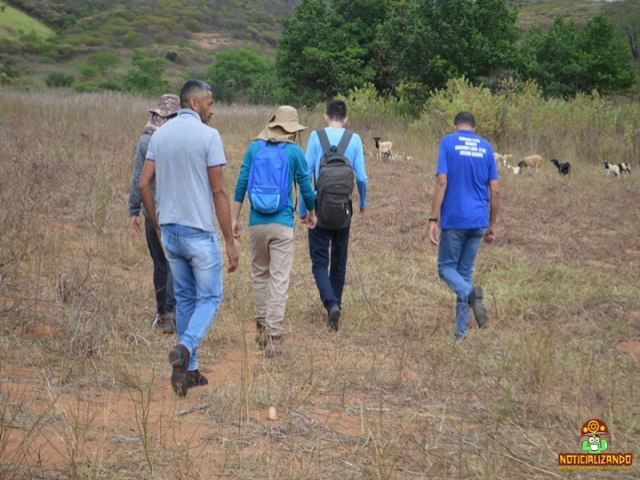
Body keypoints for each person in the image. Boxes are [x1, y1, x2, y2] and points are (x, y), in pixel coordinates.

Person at [139, 79, 239, 397]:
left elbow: (144, 184)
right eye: (209, 102)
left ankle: (189, 371)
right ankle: (185, 347)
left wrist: (156, 224)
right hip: (199, 232)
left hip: (169, 231)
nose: (213, 108)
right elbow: (219, 191)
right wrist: (230, 241)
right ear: (194, 103)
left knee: (184, 298)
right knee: (210, 297)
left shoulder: (159, 134)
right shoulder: (209, 136)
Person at [231, 106, 317, 355]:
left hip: (256, 222)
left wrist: (235, 217)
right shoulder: (294, 152)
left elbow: (241, 183)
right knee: (279, 279)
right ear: (292, 129)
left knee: (260, 274)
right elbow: (306, 188)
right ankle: (275, 335)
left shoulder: (254, 148)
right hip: (282, 224)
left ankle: (260, 328)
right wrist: (310, 213)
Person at [428, 111, 500, 341]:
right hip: (479, 219)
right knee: (465, 273)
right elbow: (495, 189)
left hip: (455, 218)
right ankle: (460, 333)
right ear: (474, 128)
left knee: (446, 268)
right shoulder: (487, 147)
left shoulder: (448, 142)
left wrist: (433, 218)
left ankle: (470, 295)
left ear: (455, 125)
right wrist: (492, 224)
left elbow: (442, 181)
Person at [300, 99, 368, 331]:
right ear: (346, 118)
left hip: (319, 208)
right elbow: (361, 178)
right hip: (344, 209)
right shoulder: (355, 139)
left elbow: (306, 175)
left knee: (319, 261)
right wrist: (363, 202)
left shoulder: (316, 136)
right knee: (339, 260)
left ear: (325, 116)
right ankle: (335, 304)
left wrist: (304, 210)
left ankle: (330, 304)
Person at [128, 93, 180, 334]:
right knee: (174, 264)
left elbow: (140, 178)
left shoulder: (146, 140)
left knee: (159, 264)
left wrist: (133, 210)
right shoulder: (180, 139)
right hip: (175, 212)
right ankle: (171, 313)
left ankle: (161, 313)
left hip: (151, 212)